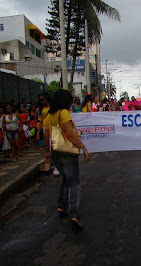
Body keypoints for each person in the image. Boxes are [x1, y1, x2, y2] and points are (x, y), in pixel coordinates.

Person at [44, 89, 89, 231]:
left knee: (64, 178)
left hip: (55, 152)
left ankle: (62, 206)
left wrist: (47, 152)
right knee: (74, 182)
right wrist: (83, 147)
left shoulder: (49, 115)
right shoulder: (63, 113)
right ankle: (75, 214)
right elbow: (69, 133)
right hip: (67, 154)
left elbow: (46, 135)